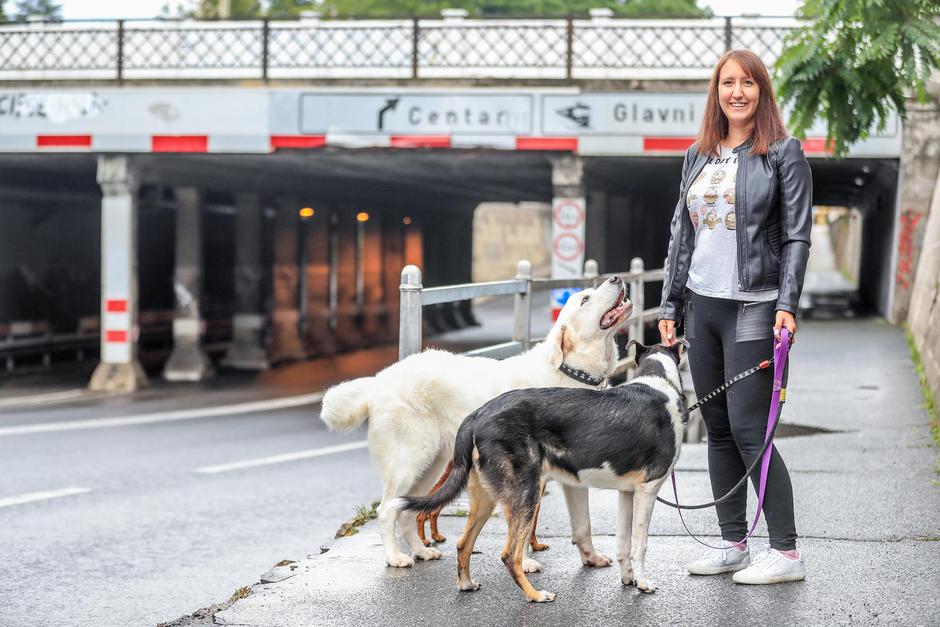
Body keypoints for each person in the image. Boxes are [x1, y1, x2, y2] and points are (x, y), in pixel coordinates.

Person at [658, 49, 812, 584]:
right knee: (718, 429)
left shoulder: (782, 154)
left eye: (748, 83)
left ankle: (786, 552)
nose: (737, 92)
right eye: (728, 83)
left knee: (752, 430)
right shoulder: (697, 155)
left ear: (761, 91)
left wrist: (787, 304)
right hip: (704, 308)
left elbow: (796, 236)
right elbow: (682, 236)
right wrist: (670, 304)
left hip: (756, 306)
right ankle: (732, 543)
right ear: (716, 92)